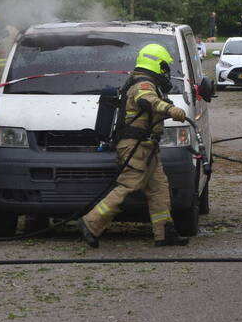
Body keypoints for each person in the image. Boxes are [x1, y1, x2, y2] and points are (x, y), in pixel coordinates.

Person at [78, 44, 190, 248]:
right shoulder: (143, 85)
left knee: (158, 189)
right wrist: (170, 109)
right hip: (135, 147)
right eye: (164, 67)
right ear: (156, 64)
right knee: (129, 185)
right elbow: (146, 101)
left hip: (147, 147)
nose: (166, 72)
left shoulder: (144, 81)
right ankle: (91, 222)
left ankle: (164, 233)